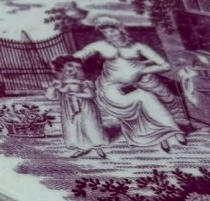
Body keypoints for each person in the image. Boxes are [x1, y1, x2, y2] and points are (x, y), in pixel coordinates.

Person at [74, 17, 186, 153]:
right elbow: (80, 55)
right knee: (144, 99)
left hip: (140, 82)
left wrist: (141, 72)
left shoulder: (138, 46)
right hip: (111, 85)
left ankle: (170, 133)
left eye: (112, 31)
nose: (109, 35)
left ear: (120, 29)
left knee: (150, 99)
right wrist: (68, 63)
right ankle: (164, 135)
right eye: (106, 33)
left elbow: (165, 65)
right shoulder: (101, 46)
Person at [54, 58, 107, 158]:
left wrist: (76, 94)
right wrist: (55, 88)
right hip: (69, 108)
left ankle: (98, 148)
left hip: (85, 107)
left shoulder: (83, 82)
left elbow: (91, 94)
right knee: (74, 127)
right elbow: (53, 95)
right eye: (68, 67)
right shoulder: (63, 82)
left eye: (76, 68)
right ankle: (82, 148)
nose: (70, 70)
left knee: (89, 126)